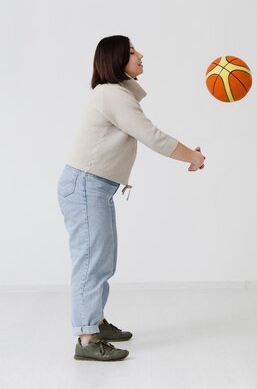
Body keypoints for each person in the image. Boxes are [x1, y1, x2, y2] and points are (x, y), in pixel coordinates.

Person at [57, 35, 206, 361]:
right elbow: (152, 136)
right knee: (91, 262)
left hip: (94, 188)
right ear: (114, 60)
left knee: (103, 260)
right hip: (85, 187)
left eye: (136, 50)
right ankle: (86, 338)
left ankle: (94, 320)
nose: (140, 55)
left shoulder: (117, 93)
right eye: (131, 52)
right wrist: (192, 158)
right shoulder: (111, 95)